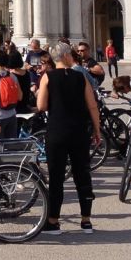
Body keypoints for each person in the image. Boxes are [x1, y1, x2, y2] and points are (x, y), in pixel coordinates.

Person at [37, 43, 100, 235]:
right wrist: (97, 129)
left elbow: (41, 106)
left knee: (56, 178)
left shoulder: (47, 77)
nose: (73, 57)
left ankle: (54, 221)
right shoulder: (80, 77)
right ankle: (86, 220)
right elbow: (92, 106)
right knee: (83, 175)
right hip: (79, 132)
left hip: (57, 132)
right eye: (71, 55)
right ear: (65, 56)